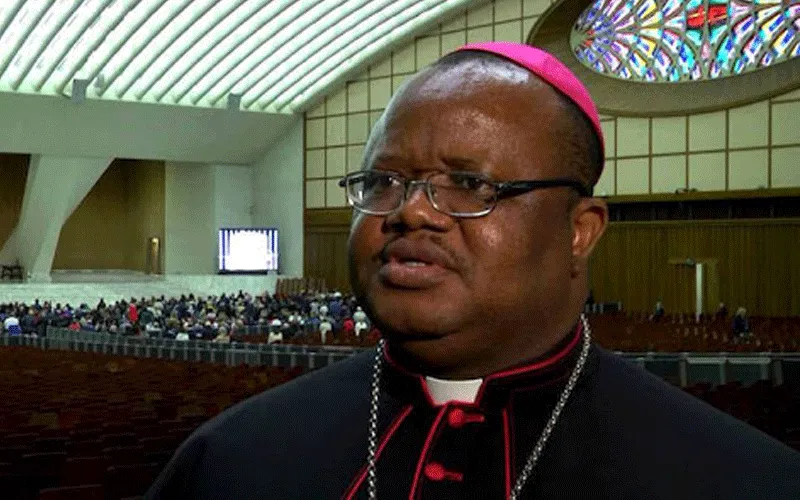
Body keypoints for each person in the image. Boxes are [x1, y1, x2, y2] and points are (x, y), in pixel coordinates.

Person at [147, 42, 800, 499]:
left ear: (579, 231)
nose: (412, 212)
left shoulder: (739, 476)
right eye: (385, 180)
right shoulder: (234, 458)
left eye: (468, 183)